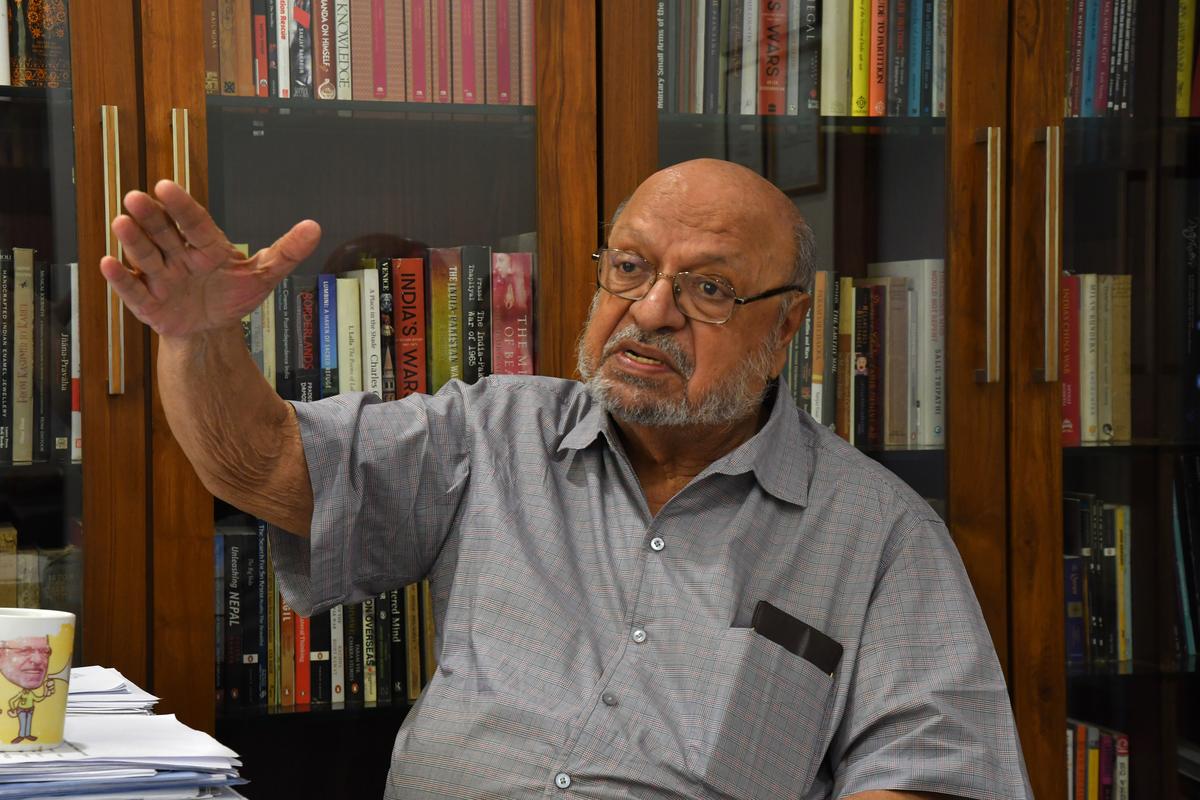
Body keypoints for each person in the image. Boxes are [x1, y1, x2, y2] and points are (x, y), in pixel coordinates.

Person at [101, 158, 1033, 799]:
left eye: (708, 289)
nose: (650, 311)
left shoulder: (879, 534)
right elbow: (258, 463)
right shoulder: (494, 430)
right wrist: (197, 336)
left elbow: (933, 778)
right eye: (628, 268)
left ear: (785, 327)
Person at [0, 635, 55, 744]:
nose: (38, 660)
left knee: (27, 723)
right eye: (24, 651)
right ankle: (22, 735)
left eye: (45, 651)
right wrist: (13, 709)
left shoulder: (28, 693)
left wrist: (46, 693)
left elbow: (38, 699)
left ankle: (26, 735)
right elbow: (13, 701)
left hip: (29, 710)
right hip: (21, 710)